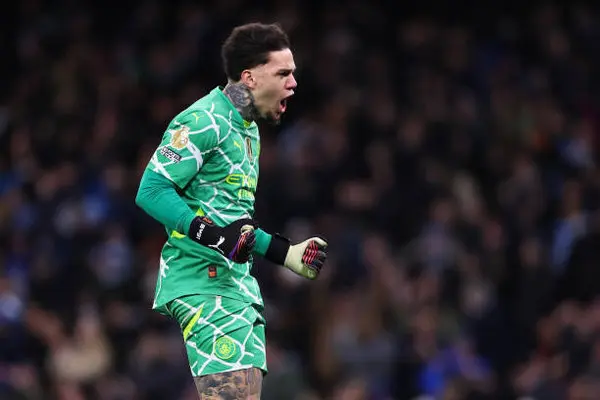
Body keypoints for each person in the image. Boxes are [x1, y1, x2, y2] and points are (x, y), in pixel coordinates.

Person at [135, 22, 328, 399]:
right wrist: (213, 237)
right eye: (283, 73)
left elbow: (234, 225)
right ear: (250, 77)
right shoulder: (203, 120)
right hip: (203, 282)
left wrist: (284, 253)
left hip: (235, 285)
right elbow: (152, 190)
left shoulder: (249, 130)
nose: (293, 84)